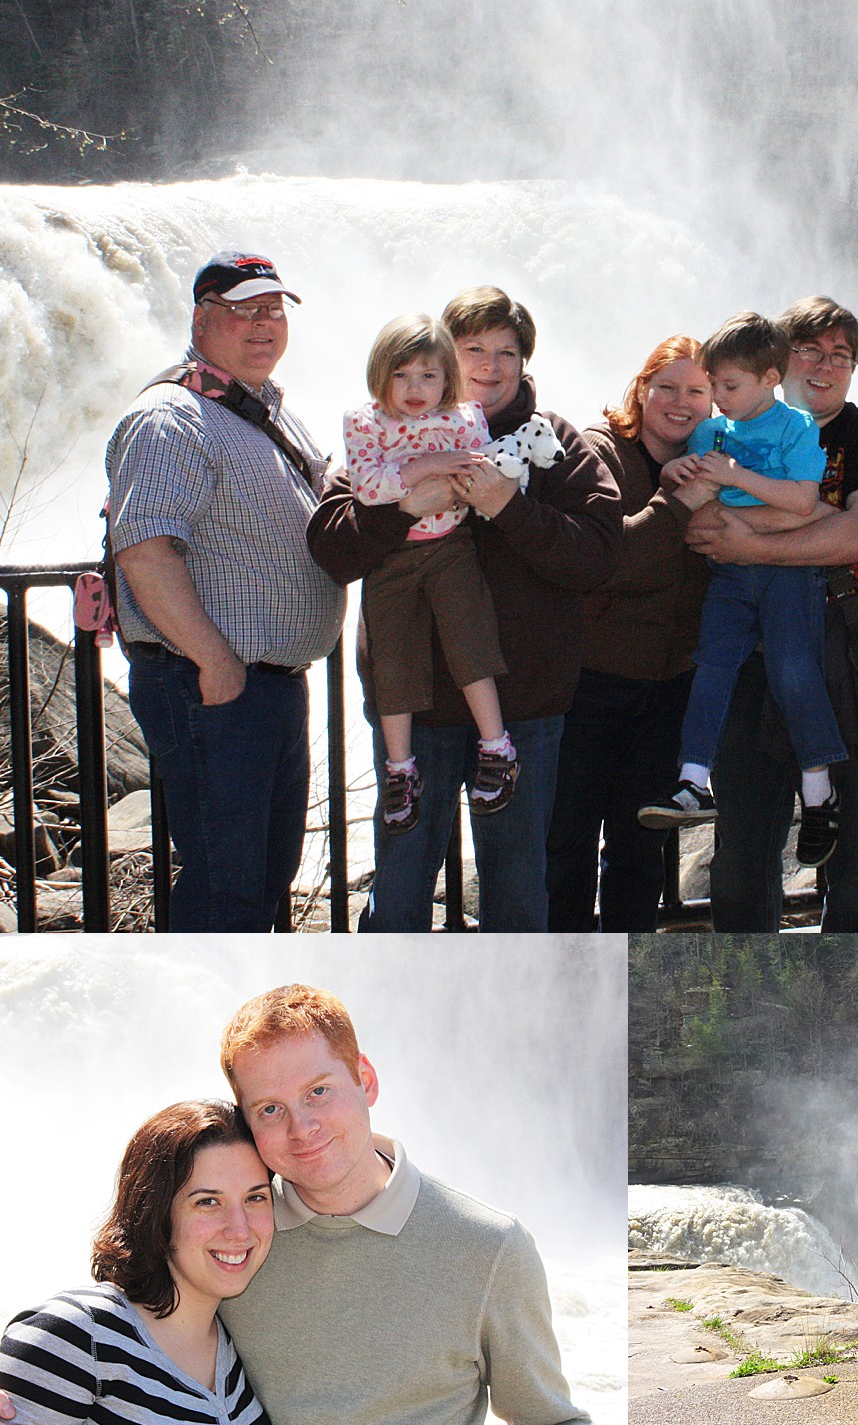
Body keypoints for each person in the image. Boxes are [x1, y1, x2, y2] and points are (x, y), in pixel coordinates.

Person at [0, 987, 586, 1425]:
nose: (302, 1127)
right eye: (270, 1109)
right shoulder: (242, 1249)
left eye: (319, 1091)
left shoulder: (490, 1248)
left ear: (365, 1080)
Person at [307, 286, 622, 932]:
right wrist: (401, 512)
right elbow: (331, 546)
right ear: (442, 355)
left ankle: (513, 1029)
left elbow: (596, 556)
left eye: (507, 351)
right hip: (415, 714)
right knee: (399, 898)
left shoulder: (553, 441)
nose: (490, 364)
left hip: (522, 714)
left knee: (515, 900)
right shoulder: (387, 434)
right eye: (473, 347)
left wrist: (512, 508)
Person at [105, 249, 346, 933]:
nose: (264, 325)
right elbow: (146, 547)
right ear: (202, 319)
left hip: (262, 689)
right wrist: (214, 659)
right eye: (244, 311)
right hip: (212, 689)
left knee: (262, 880)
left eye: (274, 310)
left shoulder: (264, 410)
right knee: (226, 889)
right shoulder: (171, 418)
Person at [686, 296, 858, 932]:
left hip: (842, 657)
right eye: (811, 350)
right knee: (744, 851)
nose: (825, 366)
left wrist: (753, 543)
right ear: (779, 363)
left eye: (842, 356)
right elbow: (700, 523)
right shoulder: (732, 429)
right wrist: (805, 518)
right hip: (750, 661)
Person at [637, 312, 847, 846]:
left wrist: (734, 477)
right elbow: (682, 480)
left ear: (771, 378)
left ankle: (819, 788)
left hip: (787, 577)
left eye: (728, 386)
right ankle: (692, 781)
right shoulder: (710, 430)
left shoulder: (796, 426)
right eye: (715, 387)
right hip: (729, 575)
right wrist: (671, 473)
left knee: (794, 671)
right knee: (712, 667)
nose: (719, 399)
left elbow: (804, 499)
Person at [544, 336, 713, 931]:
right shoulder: (600, 453)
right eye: (665, 385)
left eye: (697, 390)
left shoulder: (719, 463)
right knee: (565, 848)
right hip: (591, 687)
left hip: (670, 690)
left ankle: (626, 993)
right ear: (640, 390)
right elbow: (604, 562)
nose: (680, 401)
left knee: (640, 853)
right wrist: (677, 504)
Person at [0, 1101, 270, 1425]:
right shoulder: (72, 1337)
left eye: (255, 1198)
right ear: (155, 1213)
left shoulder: (242, 1340)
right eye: (207, 1202)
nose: (240, 1230)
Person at [342, 314, 516, 833]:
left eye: (428, 376)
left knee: (470, 641)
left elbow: (483, 470)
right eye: (401, 376)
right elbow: (370, 488)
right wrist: (430, 465)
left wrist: (438, 470)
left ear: (448, 380)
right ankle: (400, 770)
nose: (415, 389)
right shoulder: (365, 422)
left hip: (450, 546)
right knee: (391, 659)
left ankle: (497, 746)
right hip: (393, 560)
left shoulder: (464, 418)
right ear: (380, 375)